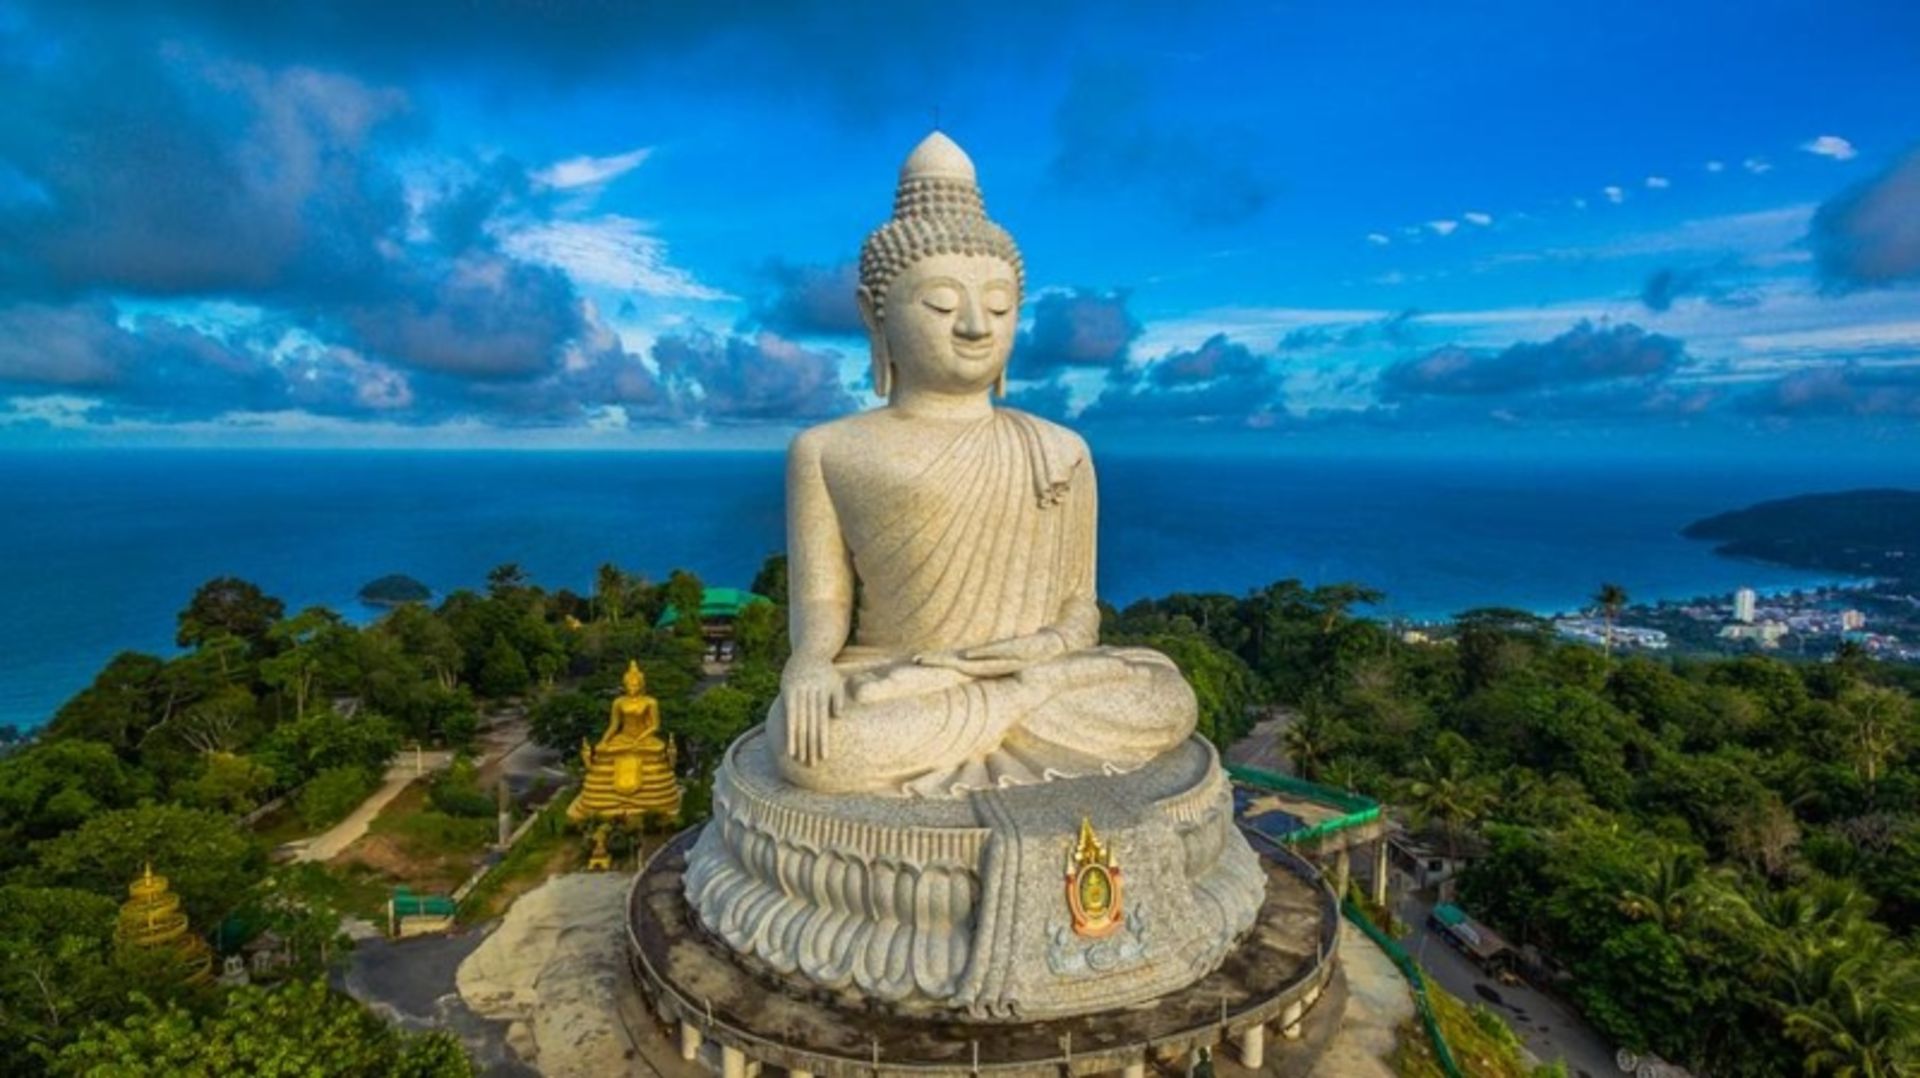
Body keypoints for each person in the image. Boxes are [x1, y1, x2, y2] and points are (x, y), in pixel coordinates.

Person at [768, 133, 1196, 797]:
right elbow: (825, 599)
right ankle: (1013, 711)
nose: (975, 325)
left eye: (999, 306)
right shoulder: (826, 449)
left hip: (1035, 672)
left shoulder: (1060, 449)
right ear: (873, 315)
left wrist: (1043, 654)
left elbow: (1079, 607)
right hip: (900, 677)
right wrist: (809, 663)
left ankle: (1014, 703)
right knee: (818, 744)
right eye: (941, 304)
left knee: (1164, 696)